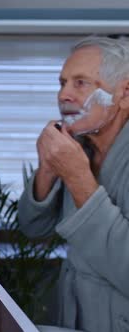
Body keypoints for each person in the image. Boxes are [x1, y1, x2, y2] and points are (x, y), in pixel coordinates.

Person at [18, 36, 129, 332]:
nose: (63, 94)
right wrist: (47, 169)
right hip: (75, 315)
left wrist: (79, 177)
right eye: (62, 82)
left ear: (125, 93)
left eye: (80, 83)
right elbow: (33, 228)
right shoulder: (78, 148)